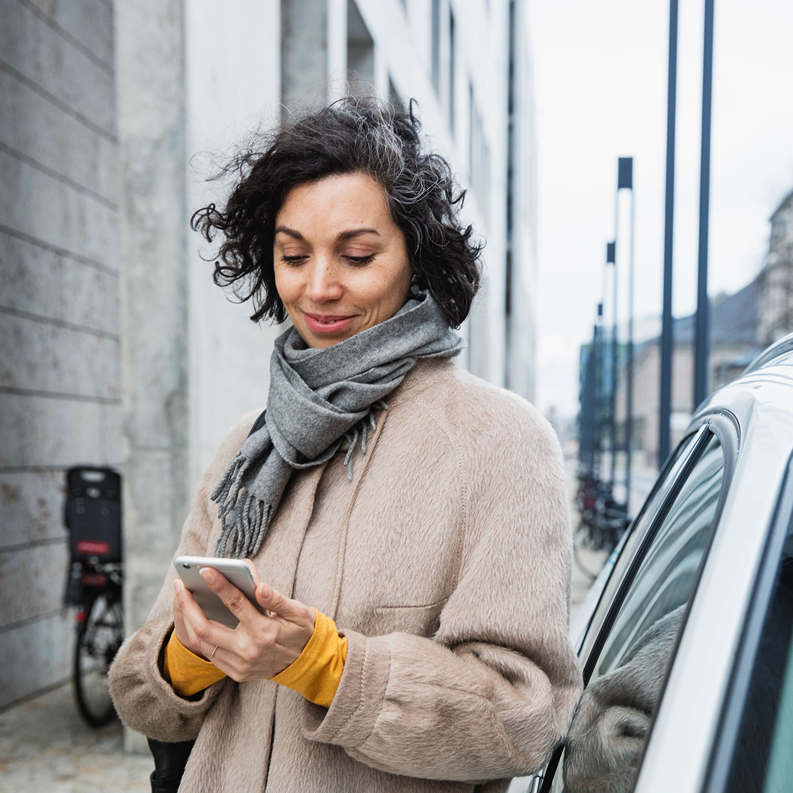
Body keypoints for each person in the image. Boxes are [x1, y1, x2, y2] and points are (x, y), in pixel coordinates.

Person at [109, 97, 582, 793]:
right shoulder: (246, 447)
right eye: (293, 255)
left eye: (357, 255)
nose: (319, 287)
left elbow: (522, 716)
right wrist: (193, 655)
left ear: (414, 257)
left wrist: (325, 664)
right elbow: (138, 692)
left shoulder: (500, 443)